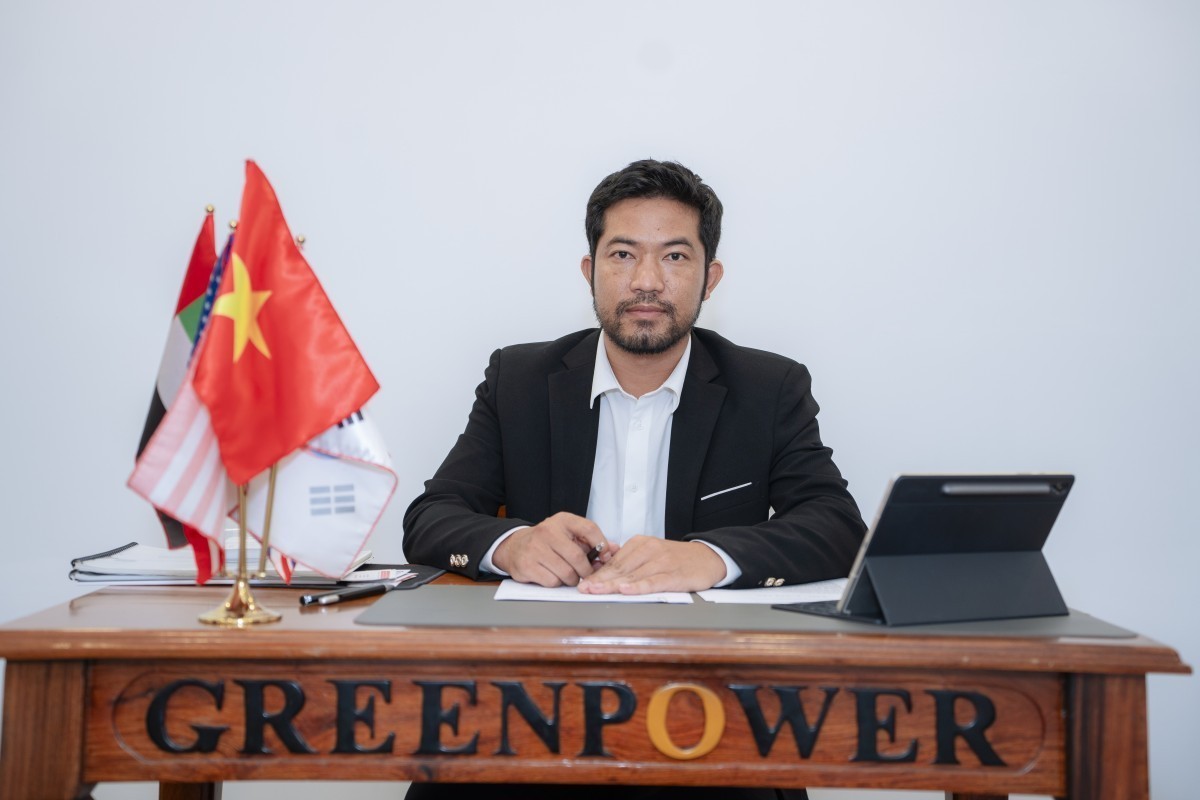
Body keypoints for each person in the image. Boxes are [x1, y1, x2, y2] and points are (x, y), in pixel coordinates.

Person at [402, 159, 865, 800]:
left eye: (675, 256)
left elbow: (836, 526)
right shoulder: (519, 380)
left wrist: (708, 558)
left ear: (711, 278)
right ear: (589, 270)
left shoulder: (769, 388)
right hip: (533, 702)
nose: (646, 281)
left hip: (710, 705)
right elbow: (432, 517)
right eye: (623, 255)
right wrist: (514, 545)